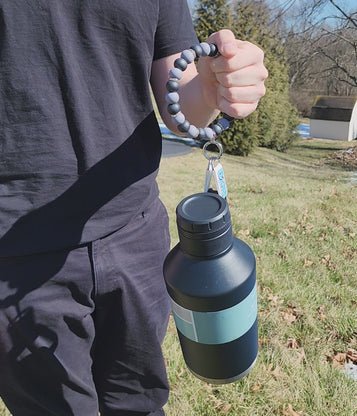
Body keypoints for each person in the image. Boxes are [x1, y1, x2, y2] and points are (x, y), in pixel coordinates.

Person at [0, 1, 267, 415]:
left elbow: (180, 100)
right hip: (16, 253)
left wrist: (214, 88)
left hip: (137, 234)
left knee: (139, 402)